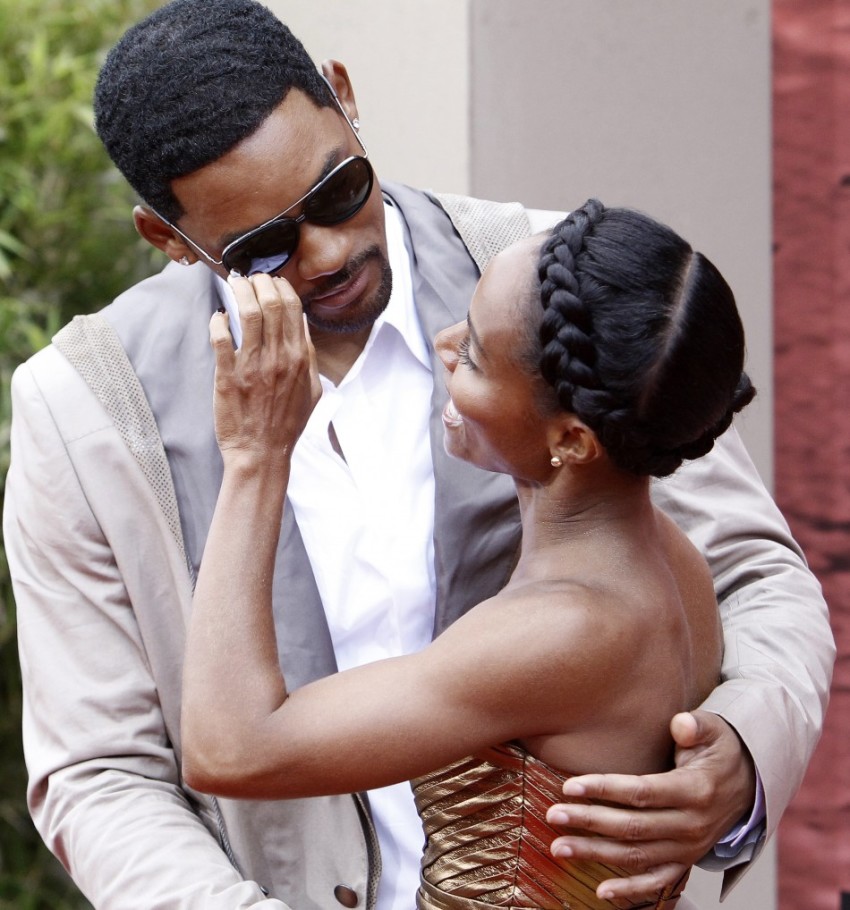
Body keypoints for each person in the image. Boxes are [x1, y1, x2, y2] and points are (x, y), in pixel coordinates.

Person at [2, 0, 832, 908]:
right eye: (264, 245)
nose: (326, 253)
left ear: (347, 100)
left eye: (337, 191)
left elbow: (753, 572)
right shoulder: (79, 408)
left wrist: (739, 757)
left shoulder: (545, 281)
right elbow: (99, 773)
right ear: (168, 239)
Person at [180, 198, 756, 910]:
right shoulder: (675, 565)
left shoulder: (560, 631)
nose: (445, 345)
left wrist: (255, 458)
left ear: (572, 441)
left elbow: (229, 749)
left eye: (476, 355)